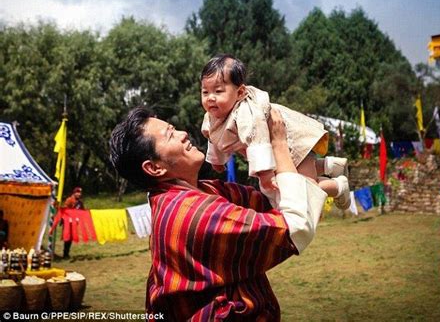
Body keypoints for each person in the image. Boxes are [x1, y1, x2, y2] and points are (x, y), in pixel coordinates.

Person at [109, 106, 328, 321]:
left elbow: (273, 201)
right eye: (170, 135)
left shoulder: (205, 190)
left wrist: (252, 147)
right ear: (155, 168)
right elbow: (295, 228)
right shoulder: (193, 211)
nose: (183, 134)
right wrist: (280, 145)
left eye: (174, 128)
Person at [200, 54, 350, 209]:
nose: (210, 98)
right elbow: (212, 135)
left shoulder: (247, 112)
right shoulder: (212, 116)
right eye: (205, 92)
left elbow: (257, 138)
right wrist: (216, 161)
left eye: (218, 91)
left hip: (293, 142)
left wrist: (265, 174)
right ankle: (330, 165)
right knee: (292, 184)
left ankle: (338, 186)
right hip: (279, 152)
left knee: (304, 190)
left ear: (239, 93)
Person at [62, 187, 85, 259]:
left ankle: (67, 253)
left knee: (71, 237)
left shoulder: (80, 202)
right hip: (68, 221)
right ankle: (65, 253)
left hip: (75, 221)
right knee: (67, 237)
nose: (79, 194)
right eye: (77, 192)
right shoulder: (69, 200)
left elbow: (82, 210)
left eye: (80, 192)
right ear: (74, 193)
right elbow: (65, 209)